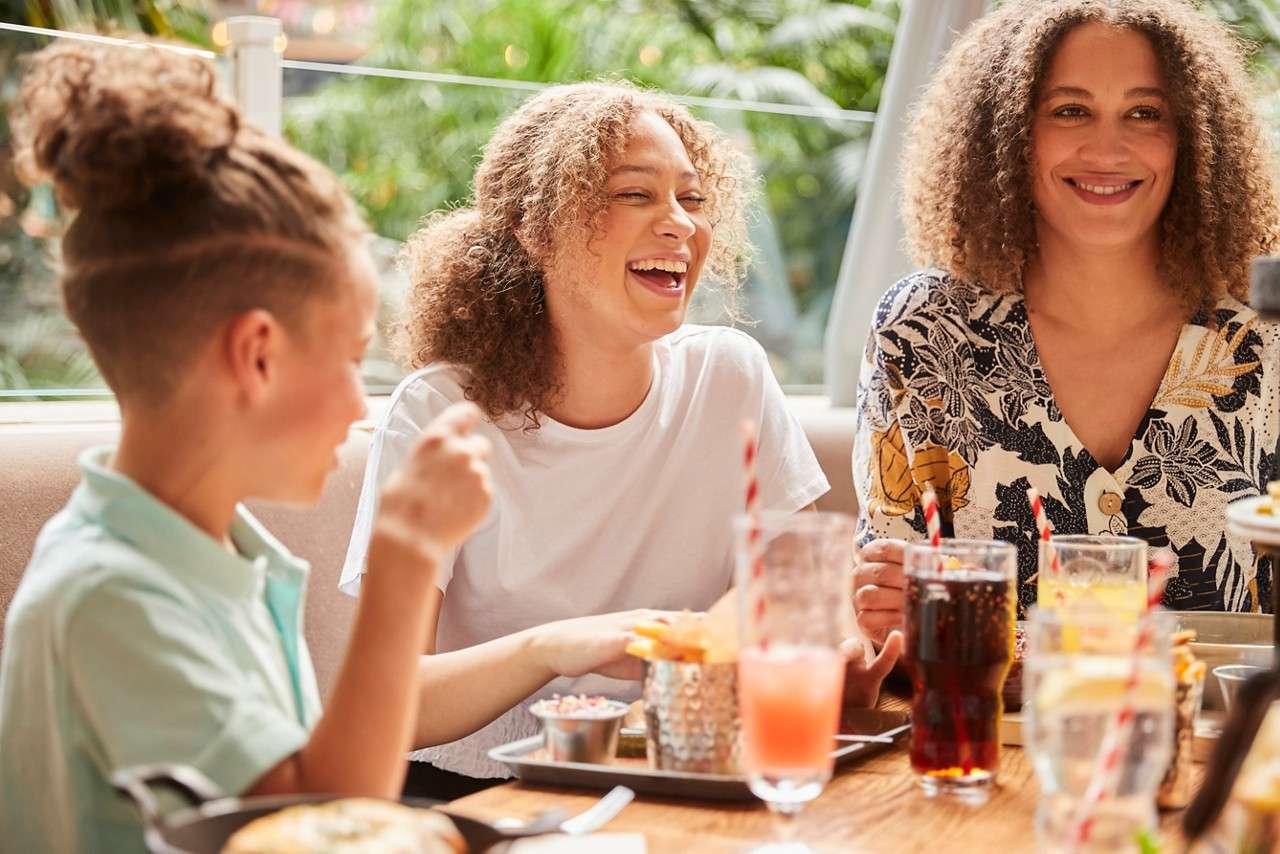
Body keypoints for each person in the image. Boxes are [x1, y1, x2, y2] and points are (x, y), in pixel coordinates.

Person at [0, 41, 500, 852]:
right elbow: (317, 828)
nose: (357, 407)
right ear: (257, 355)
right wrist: (406, 557)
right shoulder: (110, 598)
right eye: (347, 359)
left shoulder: (215, 559)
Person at [341, 81, 904, 798]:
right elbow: (388, 700)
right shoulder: (442, 414)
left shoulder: (727, 376)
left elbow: (788, 594)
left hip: (682, 776)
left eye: (692, 200)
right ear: (535, 228)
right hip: (482, 796)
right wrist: (553, 648)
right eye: (635, 195)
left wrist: (821, 664)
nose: (678, 224)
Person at [852, 0, 1280, 647]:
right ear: (1008, 134)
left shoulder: (1267, 338)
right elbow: (894, 622)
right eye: (1070, 110)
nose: (1108, 148)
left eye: (1145, 113)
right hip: (993, 743)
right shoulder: (920, 334)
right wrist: (885, 612)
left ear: (1193, 137)